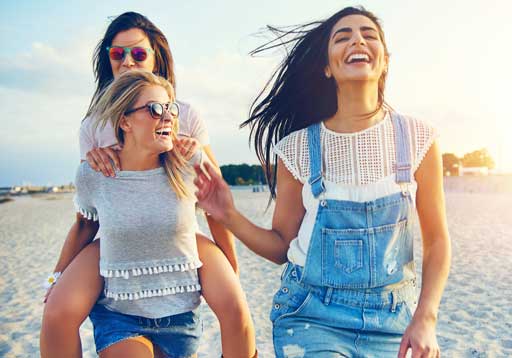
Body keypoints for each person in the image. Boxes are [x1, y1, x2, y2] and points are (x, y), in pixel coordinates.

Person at [193, 6, 450, 358]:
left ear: (385, 60)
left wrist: (426, 318)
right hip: (312, 317)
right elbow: (282, 247)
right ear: (327, 67)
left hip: (394, 320)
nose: (357, 40)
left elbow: (437, 243)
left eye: (368, 35)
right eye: (342, 37)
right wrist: (228, 215)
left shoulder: (418, 138)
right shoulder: (297, 149)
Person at [40, 12, 256, 358]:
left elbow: (214, 201)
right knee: (59, 309)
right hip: (118, 233)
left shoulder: (183, 115)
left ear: (156, 56)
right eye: (118, 54)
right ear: (122, 121)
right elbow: (92, 212)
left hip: (177, 228)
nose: (127, 61)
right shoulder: (94, 125)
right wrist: (57, 276)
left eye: (138, 54)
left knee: (234, 305)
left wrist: (231, 266)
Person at [75, 69, 203, 357]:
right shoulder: (93, 173)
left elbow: (219, 213)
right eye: (155, 109)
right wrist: (57, 277)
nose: (168, 116)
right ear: (124, 121)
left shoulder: (186, 164)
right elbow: (84, 226)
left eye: (171, 109)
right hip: (118, 316)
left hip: (180, 317)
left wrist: (229, 274)